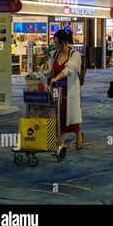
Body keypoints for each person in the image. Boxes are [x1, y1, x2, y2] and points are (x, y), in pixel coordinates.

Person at [38, 29, 83, 157]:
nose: (55, 45)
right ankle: (60, 143)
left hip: (69, 89)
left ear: (64, 42)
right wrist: (38, 74)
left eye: (57, 42)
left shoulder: (75, 54)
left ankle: (78, 134)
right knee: (58, 115)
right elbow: (49, 71)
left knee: (70, 114)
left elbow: (70, 68)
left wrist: (58, 77)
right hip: (55, 90)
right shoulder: (54, 54)